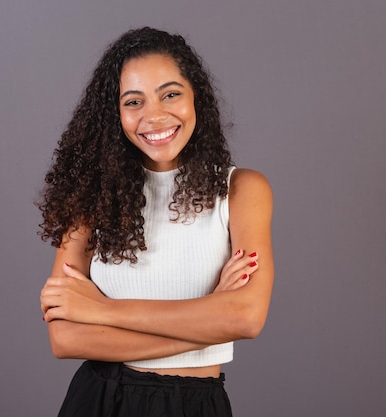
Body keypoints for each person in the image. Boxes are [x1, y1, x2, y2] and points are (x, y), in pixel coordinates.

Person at [38, 27, 273, 417]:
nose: (154, 115)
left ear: (195, 94)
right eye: (133, 101)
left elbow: (245, 317)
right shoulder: (93, 198)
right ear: (115, 114)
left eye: (170, 94)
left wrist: (102, 311)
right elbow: (64, 337)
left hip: (196, 405)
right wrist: (208, 324)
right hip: (99, 400)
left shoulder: (242, 190)